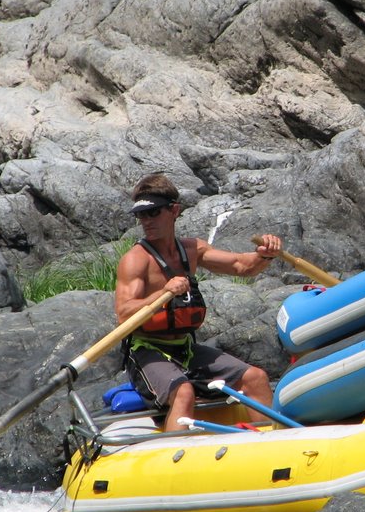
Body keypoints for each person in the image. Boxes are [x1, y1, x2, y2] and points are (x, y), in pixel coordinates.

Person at [115, 174, 282, 431]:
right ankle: (173, 458)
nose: (146, 221)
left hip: (186, 349)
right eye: (141, 215)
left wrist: (265, 255)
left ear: (174, 211)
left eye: (153, 213)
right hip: (147, 350)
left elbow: (241, 266)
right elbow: (124, 315)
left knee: (256, 378)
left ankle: (274, 445)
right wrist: (162, 294)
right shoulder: (136, 260)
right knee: (183, 392)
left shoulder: (192, 250)